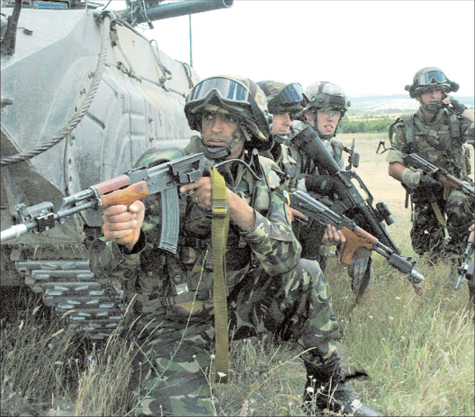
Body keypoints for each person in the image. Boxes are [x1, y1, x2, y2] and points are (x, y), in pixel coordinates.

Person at [93, 75, 381, 416]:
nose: (215, 127)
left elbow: (285, 258)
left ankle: (329, 391)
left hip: (237, 305)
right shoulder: (162, 169)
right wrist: (128, 242)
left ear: (247, 127)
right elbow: (105, 268)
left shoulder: (263, 175)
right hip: (174, 319)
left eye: (227, 118)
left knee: (307, 275)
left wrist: (236, 207)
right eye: (208, 118)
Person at [385, 67, 474, 262]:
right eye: (428, 91)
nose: (435, 96)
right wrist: (417, 177)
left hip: (456, 187)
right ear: (418, 95)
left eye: (439, 91)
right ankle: (439, 257)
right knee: (427, 250)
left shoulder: (457, 119)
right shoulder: (406, 125)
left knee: (459, 203)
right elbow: (393, 166)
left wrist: (460, 108)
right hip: (426, 191)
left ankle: (459, 253)